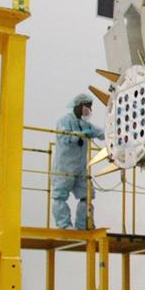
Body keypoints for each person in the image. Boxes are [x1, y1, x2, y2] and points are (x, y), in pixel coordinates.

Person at [52, 94, 104, 230]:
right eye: (88, 106)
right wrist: (79, 135)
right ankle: (64, 225)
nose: (89, 110)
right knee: (60, 196)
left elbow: (101, 132)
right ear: (79, 105)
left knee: (87, 195)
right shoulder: (64, 121)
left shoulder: (85, 124)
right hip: (65, 167)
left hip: (81, 168)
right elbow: (64, 137)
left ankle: (83, 225)